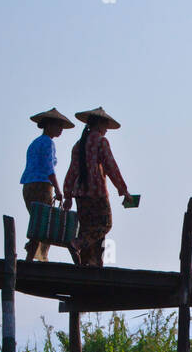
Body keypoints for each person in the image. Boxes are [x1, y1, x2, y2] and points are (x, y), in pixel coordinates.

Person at [62, 106, 132, 266]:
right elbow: (111, 167)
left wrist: (67, 195)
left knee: (89, 230)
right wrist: (123, 190)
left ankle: (91, 263)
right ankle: (77, 244)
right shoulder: (101, 142)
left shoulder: (78, 145)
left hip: (80, 194)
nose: (107, 129)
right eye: (106, 125)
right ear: (99, 124)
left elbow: (72, 171)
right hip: (97, 193)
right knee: (105, 224)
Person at [21, 108, 74, 260]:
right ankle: (33, 257)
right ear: (49, 125)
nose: (60, 129)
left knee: (38, 221)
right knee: (43, 223)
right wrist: (58, 190)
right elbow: (48, 168)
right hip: (41, 186)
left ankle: (32, 256)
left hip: (28, 186)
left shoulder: (35, 143)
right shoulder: (47, 143)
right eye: (58, 126)